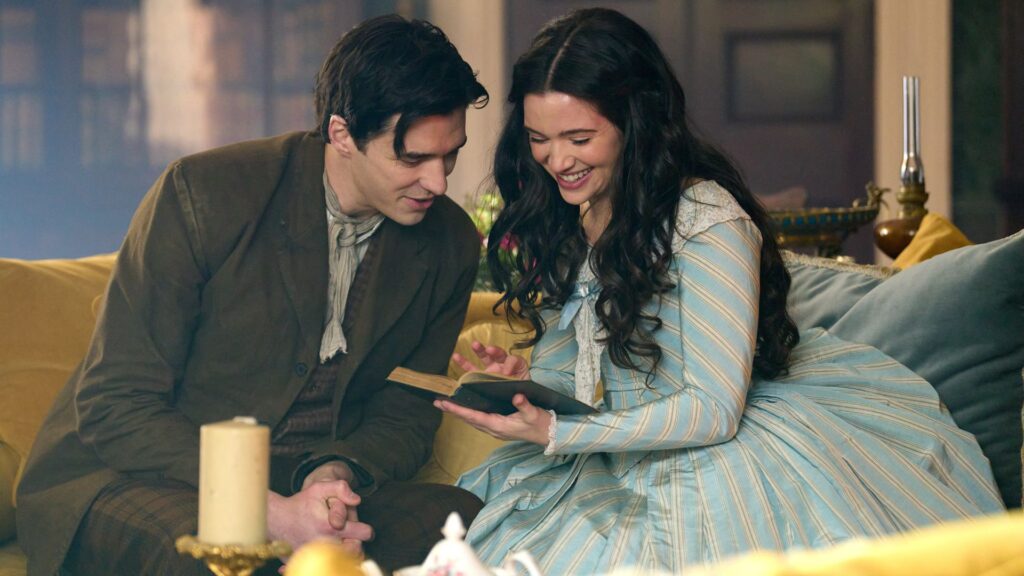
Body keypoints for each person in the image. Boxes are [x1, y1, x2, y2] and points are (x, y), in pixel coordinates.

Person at [438, 8, 1004, 575]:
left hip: (715, 446)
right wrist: (532, 388)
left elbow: (712, 410)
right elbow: (593, 380)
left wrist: (559, 430)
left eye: (579, 138)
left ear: (635, 122)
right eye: (539, 139)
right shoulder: (572, 216)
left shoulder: (707, 219)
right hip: (606, 451)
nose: (556, 160)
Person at [16, 14, 488, 576]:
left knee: (471, 525)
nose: (438, 182)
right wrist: (265, 513)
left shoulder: (451, 242)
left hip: (299, 481)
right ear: (341, 134)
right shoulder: (202, 194)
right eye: (412, 159)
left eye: (450, 155)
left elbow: (406, 412)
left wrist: (332, 481)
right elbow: (116, 404)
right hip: (128, 476)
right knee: (223, 558)